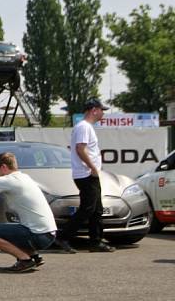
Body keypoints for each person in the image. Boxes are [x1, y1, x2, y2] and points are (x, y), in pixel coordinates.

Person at [55, 98, 115, 253]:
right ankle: (62, 237)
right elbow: (80, 149)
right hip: (86, 174)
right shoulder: (84, 127)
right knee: (87, 209)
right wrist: (92, 167)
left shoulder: (85, 127)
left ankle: (95, 242)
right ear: (94, 110)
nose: (103, 113)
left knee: (96, 210)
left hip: (88, 174)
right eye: (102, 110)